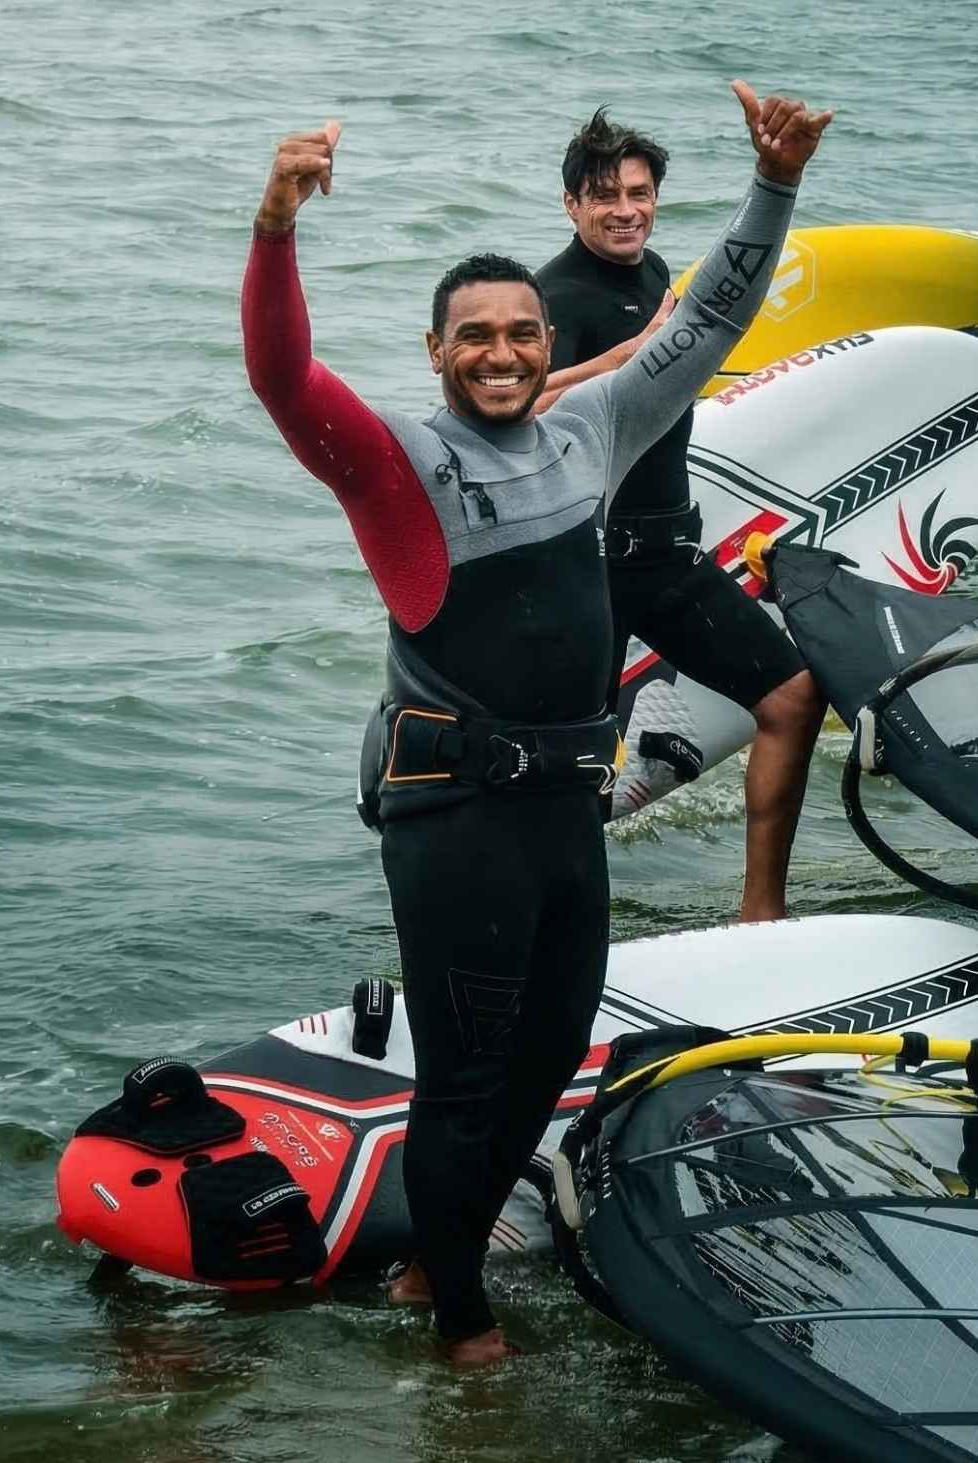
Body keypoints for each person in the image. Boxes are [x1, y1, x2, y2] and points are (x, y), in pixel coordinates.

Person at [240, 80, 831, 1367]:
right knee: (468, 1074)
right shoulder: (399, 464)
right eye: (475, 337)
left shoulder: (592, 427)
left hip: (564, 807)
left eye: (519, 332)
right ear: (436, 352)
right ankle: (458, 1319)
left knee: (550, 1047)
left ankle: (426, 1253)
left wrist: (773, 182)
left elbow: (710, 317)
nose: (503, 352)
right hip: (456, 819)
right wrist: (278, 225)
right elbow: (284, 378)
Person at [532, 109, 825, 923]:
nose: (625, 209)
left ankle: (760, 913)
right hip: (587, 568)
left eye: (639, 192)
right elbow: (519, 410)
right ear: (570, 205)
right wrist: (620, 358)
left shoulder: (656, 273)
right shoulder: (553, 297)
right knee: (576, 769)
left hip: (666, 558)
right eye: (604, 196)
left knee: (793, 698)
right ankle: (559, 933)